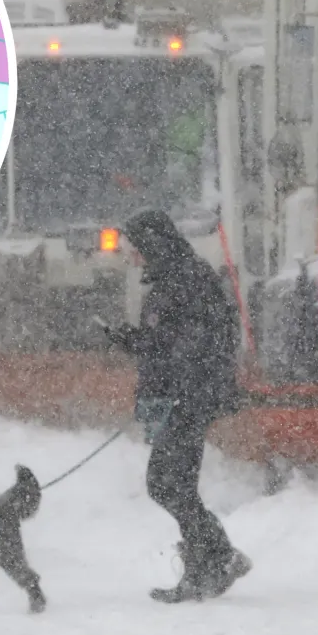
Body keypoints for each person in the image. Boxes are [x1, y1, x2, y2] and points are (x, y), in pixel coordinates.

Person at [105, 208, 252, 603]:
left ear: (150, 245)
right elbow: (172, 341)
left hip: (189, 398)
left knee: (166, 484)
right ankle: (212, 562)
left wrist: (151, 355)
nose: (130, 256)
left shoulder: (184, 280)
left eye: (133, 248)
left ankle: (217, 558)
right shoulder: (177, 278)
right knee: (176, 485)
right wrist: (136, 342)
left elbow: (190, 345)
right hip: (184, 396)